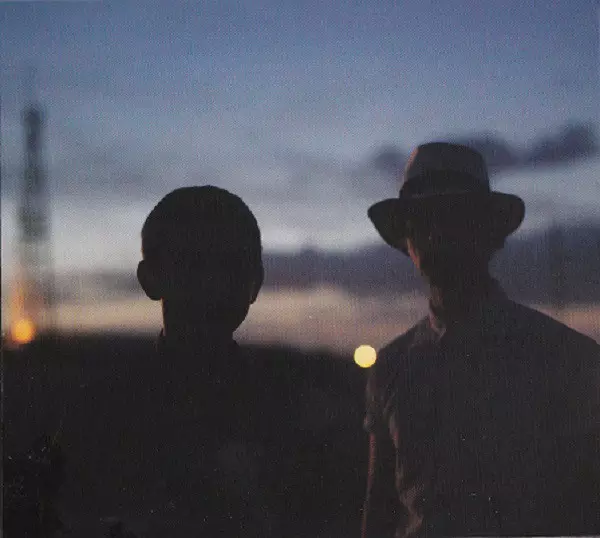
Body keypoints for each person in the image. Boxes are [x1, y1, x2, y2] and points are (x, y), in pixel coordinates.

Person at [361, 142, 600, 537]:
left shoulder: (566, 358)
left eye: (453, 217)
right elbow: (380, 510)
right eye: (419, 220)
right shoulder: (390, 368)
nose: (435, 233)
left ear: (488, 235)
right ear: (407, 239)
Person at [57, 186, 297, 537]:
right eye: (192, 264)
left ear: (255, 283)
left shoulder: (288, 412)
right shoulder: (99, 413)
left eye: (231, 266)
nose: (212, 284)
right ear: (150, 278)